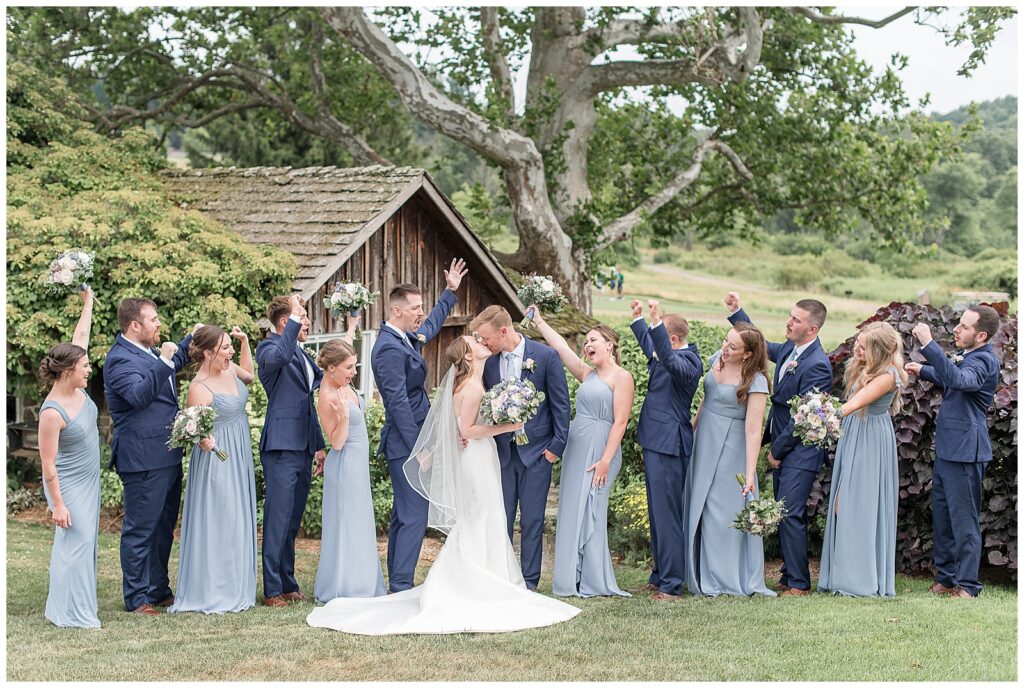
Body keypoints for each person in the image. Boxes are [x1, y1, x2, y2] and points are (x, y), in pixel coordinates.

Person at [306, 336, 581, 634]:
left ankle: (488, 578)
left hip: (478, 456)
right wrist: (509, 426)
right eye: (473, 342)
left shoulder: (470, 383)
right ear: (468, 357)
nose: (479, 341)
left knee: (482, 518)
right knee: (482, 517)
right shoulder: (472, 386)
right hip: (476, 459)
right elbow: (467, 429)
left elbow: (460, 427)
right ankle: (481, 581)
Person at [725, 291, 833, 596]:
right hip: (787, 444)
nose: (789, 322)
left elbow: (803, 418)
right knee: (785, 510)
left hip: (800, 450)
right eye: (790, 315)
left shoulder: (817, 364)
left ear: (812, 329)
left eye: (796, 320)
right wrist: (737, 313)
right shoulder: (792, 348)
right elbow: (763, 347)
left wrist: (776, 450)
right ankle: (788, 575)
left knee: (791, 512)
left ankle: (799, 582)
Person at [372, 259, 467, 593]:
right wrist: (420, 449)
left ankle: (397, 581)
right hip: (405, 444)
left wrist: (449, 292)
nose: (420, 313)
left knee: (404, 514)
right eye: (415, 308)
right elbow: (397, 403)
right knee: (413, 515)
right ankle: (401, 585)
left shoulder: (405, 338)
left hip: (410, 443)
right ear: (397, 311)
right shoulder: (386, 348)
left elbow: (432, 325)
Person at [528, 306, 633, 597]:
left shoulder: (622, 377)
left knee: (593, 511)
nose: (587, 345)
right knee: (572, 509)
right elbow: (560, 347)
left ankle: (593, 578)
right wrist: (539, 321)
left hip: (603, 450)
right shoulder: (586, 374)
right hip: (577, 448)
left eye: (593, 340)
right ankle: (568, 578)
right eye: (585, 342)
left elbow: (621, 421)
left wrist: (605, 461)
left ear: (609, 345)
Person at [103, 297, 195, 615]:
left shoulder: (150, 352)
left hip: (167, 453)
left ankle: (158, 588)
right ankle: (138, 597)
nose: (159, 324)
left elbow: (172, 362)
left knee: (163, 527)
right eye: (153, 319)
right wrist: (165, 358)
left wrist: (189, 340)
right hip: (142, 458)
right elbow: (140, 396)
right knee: (140, 529)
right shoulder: (118, 359)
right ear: (135, 326)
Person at [472, 305, 570, 591]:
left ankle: (529, 583)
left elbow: (561, 406)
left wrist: (555, 449)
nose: (483, 343)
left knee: (532, 522)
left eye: (486, 337)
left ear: (504, 331)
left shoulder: (545, 357)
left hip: (538, 454)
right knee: (499, 520)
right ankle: (502, 578)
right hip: (501, 454)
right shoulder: (488, 363)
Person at [905, 305, 1000, 598]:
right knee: (943, 518)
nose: (957, 329)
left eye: (964, 327)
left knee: (964, 520)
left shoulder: (984, 360)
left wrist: (929, 345)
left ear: (981, 335)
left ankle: (968, 585)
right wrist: (924, 370)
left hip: (966, 453)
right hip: (948, 451)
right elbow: (952, 374)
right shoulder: (970, 356)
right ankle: (946, 579)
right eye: (958, 324)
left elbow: (962, 380)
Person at [168, 325, 258, 614]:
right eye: (225, 348)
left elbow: (251, 376)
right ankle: (215, 588)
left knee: (237, 517)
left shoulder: (231, 370)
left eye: (230, 347)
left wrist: (244, 343)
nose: (229, 353)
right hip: (218, 459)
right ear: (208, 353)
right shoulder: (199, 388)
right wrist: (203, 440)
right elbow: (197, 431)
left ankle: (236, 584)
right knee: (222, 517)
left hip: (239, 449)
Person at [685, 322, 774, 597]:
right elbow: (705, 399)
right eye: (726, 341)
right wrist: (691, 428)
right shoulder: (718, 359)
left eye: (732, 346)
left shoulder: (755, 381)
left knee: (720, 513)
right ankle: (695, 571)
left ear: (747, 354)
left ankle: (721, 578)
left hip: (731, 447)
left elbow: (753, 429)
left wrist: (749, 473)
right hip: (704, 440)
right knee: (697, 504)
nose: (725, 348)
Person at [818, 322, 906, 598]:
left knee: (858, 503)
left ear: (878, 351)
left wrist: (816, 416)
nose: (857, 348)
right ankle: (843, 573)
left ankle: (859, 578)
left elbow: (855, 404)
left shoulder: (889, 375)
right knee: (843, 502)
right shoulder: (862, 367)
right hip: (855, 432)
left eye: (863, 345)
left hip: (870, 439)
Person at [629, 299, 702, 600]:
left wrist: (656, 321)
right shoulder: (667, 352)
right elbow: (653, 349)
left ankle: (672, 584)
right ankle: (659, 576)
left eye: (661, 336)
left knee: (668, 516)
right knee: (657, 513)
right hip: (655, 440)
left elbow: (669, 362)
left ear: (672, 340)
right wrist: (639, 321)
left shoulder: (688, 363)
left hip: (670, 445)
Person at [255, 293, 326, 607]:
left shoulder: (302, 353)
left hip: (304, 444)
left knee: (292, 519)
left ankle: (288, 581)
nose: (307, 321)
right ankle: (271, 589)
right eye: (302, 316)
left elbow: (310, 399)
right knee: (277, 518)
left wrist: (319, 445)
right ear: (286, 322)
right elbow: (280, 357)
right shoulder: (269, 349)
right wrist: (294, 317)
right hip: (282, 445)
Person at [37, 288, 100, 627]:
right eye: (85, 366)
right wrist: (58, 505)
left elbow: (80, 336)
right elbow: (48, 466)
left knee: (84, 544)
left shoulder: (77, 387)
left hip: (89, 481)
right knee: (74, 543)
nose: (89, 370)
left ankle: (70, 607)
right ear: (67, 371)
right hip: (67, 484)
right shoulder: (52, 412)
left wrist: (88, 303)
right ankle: (71, 614)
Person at [312, 315, 387, 602]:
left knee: (360, 522)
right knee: (346, 523)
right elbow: (337, 441)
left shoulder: (340, 379)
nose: (353, 372)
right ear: (331, 369)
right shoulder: (328, 395)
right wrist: (343, 417)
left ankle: (363, 581)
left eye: (353, 365)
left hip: (357, 467)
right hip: (343, 467)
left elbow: (341, 348)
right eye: (348, 367)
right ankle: (345, 586)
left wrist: (352, 328)